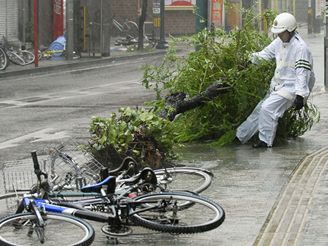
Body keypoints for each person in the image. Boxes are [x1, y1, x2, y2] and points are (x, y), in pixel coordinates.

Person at [236, 12, 315, 148]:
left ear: (290, 30)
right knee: (260, 110)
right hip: (278, 86)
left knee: (268, 109)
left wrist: (300, 96)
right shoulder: (279, 42)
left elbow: (303, 73)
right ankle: (240, 137)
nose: (279, 35)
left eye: (281, 32)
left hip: (291, 89)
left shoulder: (300, 48)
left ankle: (265, 142)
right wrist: (249, 59)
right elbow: (265, 54)